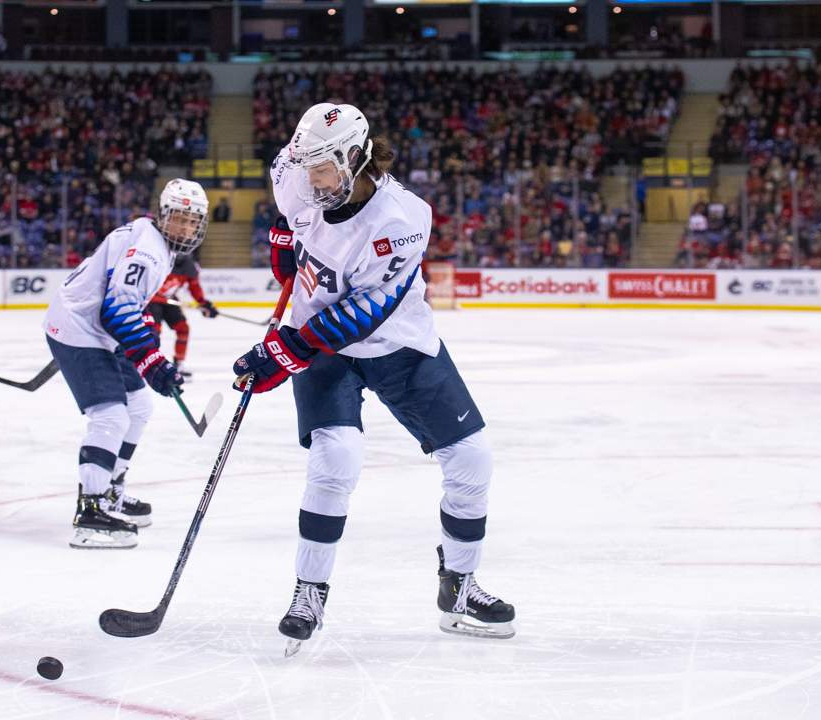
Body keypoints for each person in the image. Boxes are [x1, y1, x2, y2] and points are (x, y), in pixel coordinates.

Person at [231, 103, 515, 653]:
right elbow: (287, 210)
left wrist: (282, 352)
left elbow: (366, 313)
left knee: (472, 456)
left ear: (355, 158)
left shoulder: (403, 218)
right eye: (304, 165)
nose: (310, 181)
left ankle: (458, 586)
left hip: (395, 344)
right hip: (323, 344)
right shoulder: (298, 173)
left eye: (322, 169)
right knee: (336, 459)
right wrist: (285, 247)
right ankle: (308, 591)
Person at [43, 179, 209, 549]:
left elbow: (126, 302)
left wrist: (148, 348)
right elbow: (116, 311)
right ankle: (90, 512)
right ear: (163, 215)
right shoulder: (150, 250)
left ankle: (111, 489)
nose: (185, 227)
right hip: (79, 328)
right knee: (110, 416)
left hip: (94, 326)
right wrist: (152, 362)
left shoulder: (153, 238)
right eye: (179, 218)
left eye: (192, 221)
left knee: (139, 405)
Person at [143, 253, 219, 379]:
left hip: (169, 300)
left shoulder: (189, 265)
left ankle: (179, 363)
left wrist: (203, 303)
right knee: (154, 332)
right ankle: (150, 364)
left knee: (183, 329)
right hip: (151, 301)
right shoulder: (160, 257)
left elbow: (194, 286)